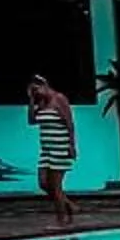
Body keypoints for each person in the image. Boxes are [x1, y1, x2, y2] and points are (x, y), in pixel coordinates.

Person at [26, 75, 79, 228]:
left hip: (60, 148)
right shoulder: (41, 103)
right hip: (46, 150)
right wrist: (31, 100)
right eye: (33, 91)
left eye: (37, 89)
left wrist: (72, 145)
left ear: (45, 85)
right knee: (43, 183)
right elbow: (31, 121)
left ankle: (61, 221)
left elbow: (69, 123)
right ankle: (68, 205)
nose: (37, 93)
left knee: (56, 187)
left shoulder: (59, 99)